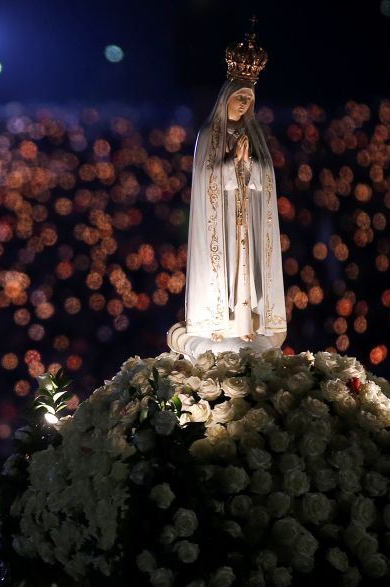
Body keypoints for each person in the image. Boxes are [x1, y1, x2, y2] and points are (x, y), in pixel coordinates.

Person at [169, 22, 287, 360]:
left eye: (248, 99)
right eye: (239, 98)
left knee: (247, 270)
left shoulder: (254, 134)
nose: (243, 104)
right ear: (227, 98)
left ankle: (247, 321)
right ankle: (219, 319)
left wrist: (249, 166)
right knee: (226, 270)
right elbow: (205, 176)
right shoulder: (210, 134)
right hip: (221, 220)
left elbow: (266, 175)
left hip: (246, 217)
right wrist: (231, 164)